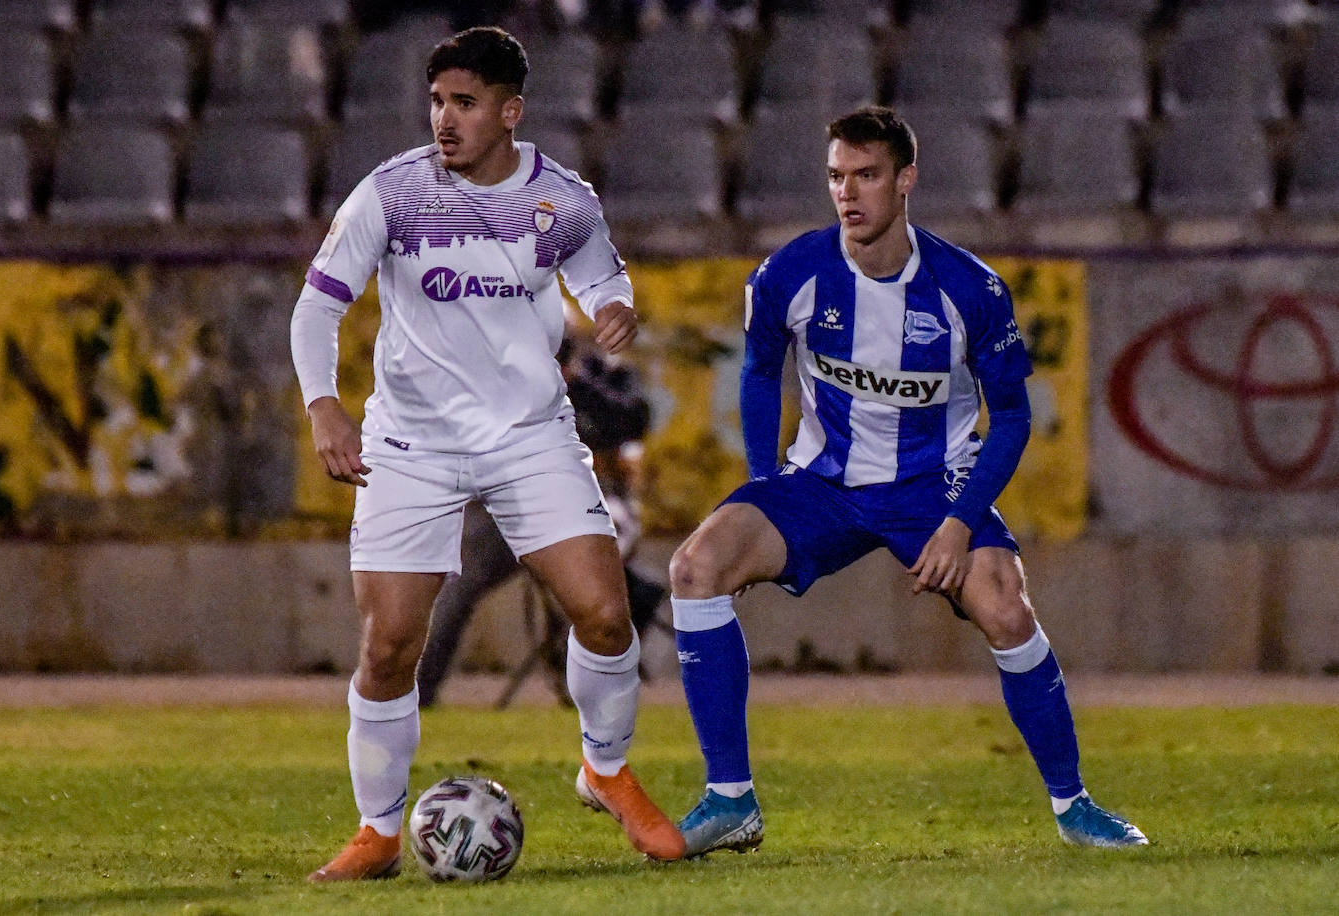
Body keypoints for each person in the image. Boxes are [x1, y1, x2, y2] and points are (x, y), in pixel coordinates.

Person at [666, 105, 1148, 857]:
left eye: (866, 176)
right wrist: (766, 486)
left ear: (906, 180)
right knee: (695, 567)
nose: (848, 194)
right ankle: (730, 799)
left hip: (934, 487)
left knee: (1007, 608)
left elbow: (1012, 419)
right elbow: (761, 371)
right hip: (822, 483)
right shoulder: (791, 272)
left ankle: (1075, 805)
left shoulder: (970, 289)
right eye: (836, 177)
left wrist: (959, 522)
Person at [289, 26, 685, 882]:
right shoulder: (391, 193)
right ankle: (379, 832)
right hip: (411, 446)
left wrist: (616, 306)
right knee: (390, 646)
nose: (444, 119)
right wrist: (325, 407)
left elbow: (604, 275)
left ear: (510, 112)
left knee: (607, 615)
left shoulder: (562, 200)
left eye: (464, 104)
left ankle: (606, 770)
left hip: (529, 439)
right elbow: (316, 309)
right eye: (437, 101)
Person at [414, 333, 666, 707]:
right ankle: (418, 692)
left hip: (586, 502)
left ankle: (589, 691)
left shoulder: (604, 375)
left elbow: (633, 419)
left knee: (593, 590)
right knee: (457, 586)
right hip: (508, 506)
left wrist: (575, 383)